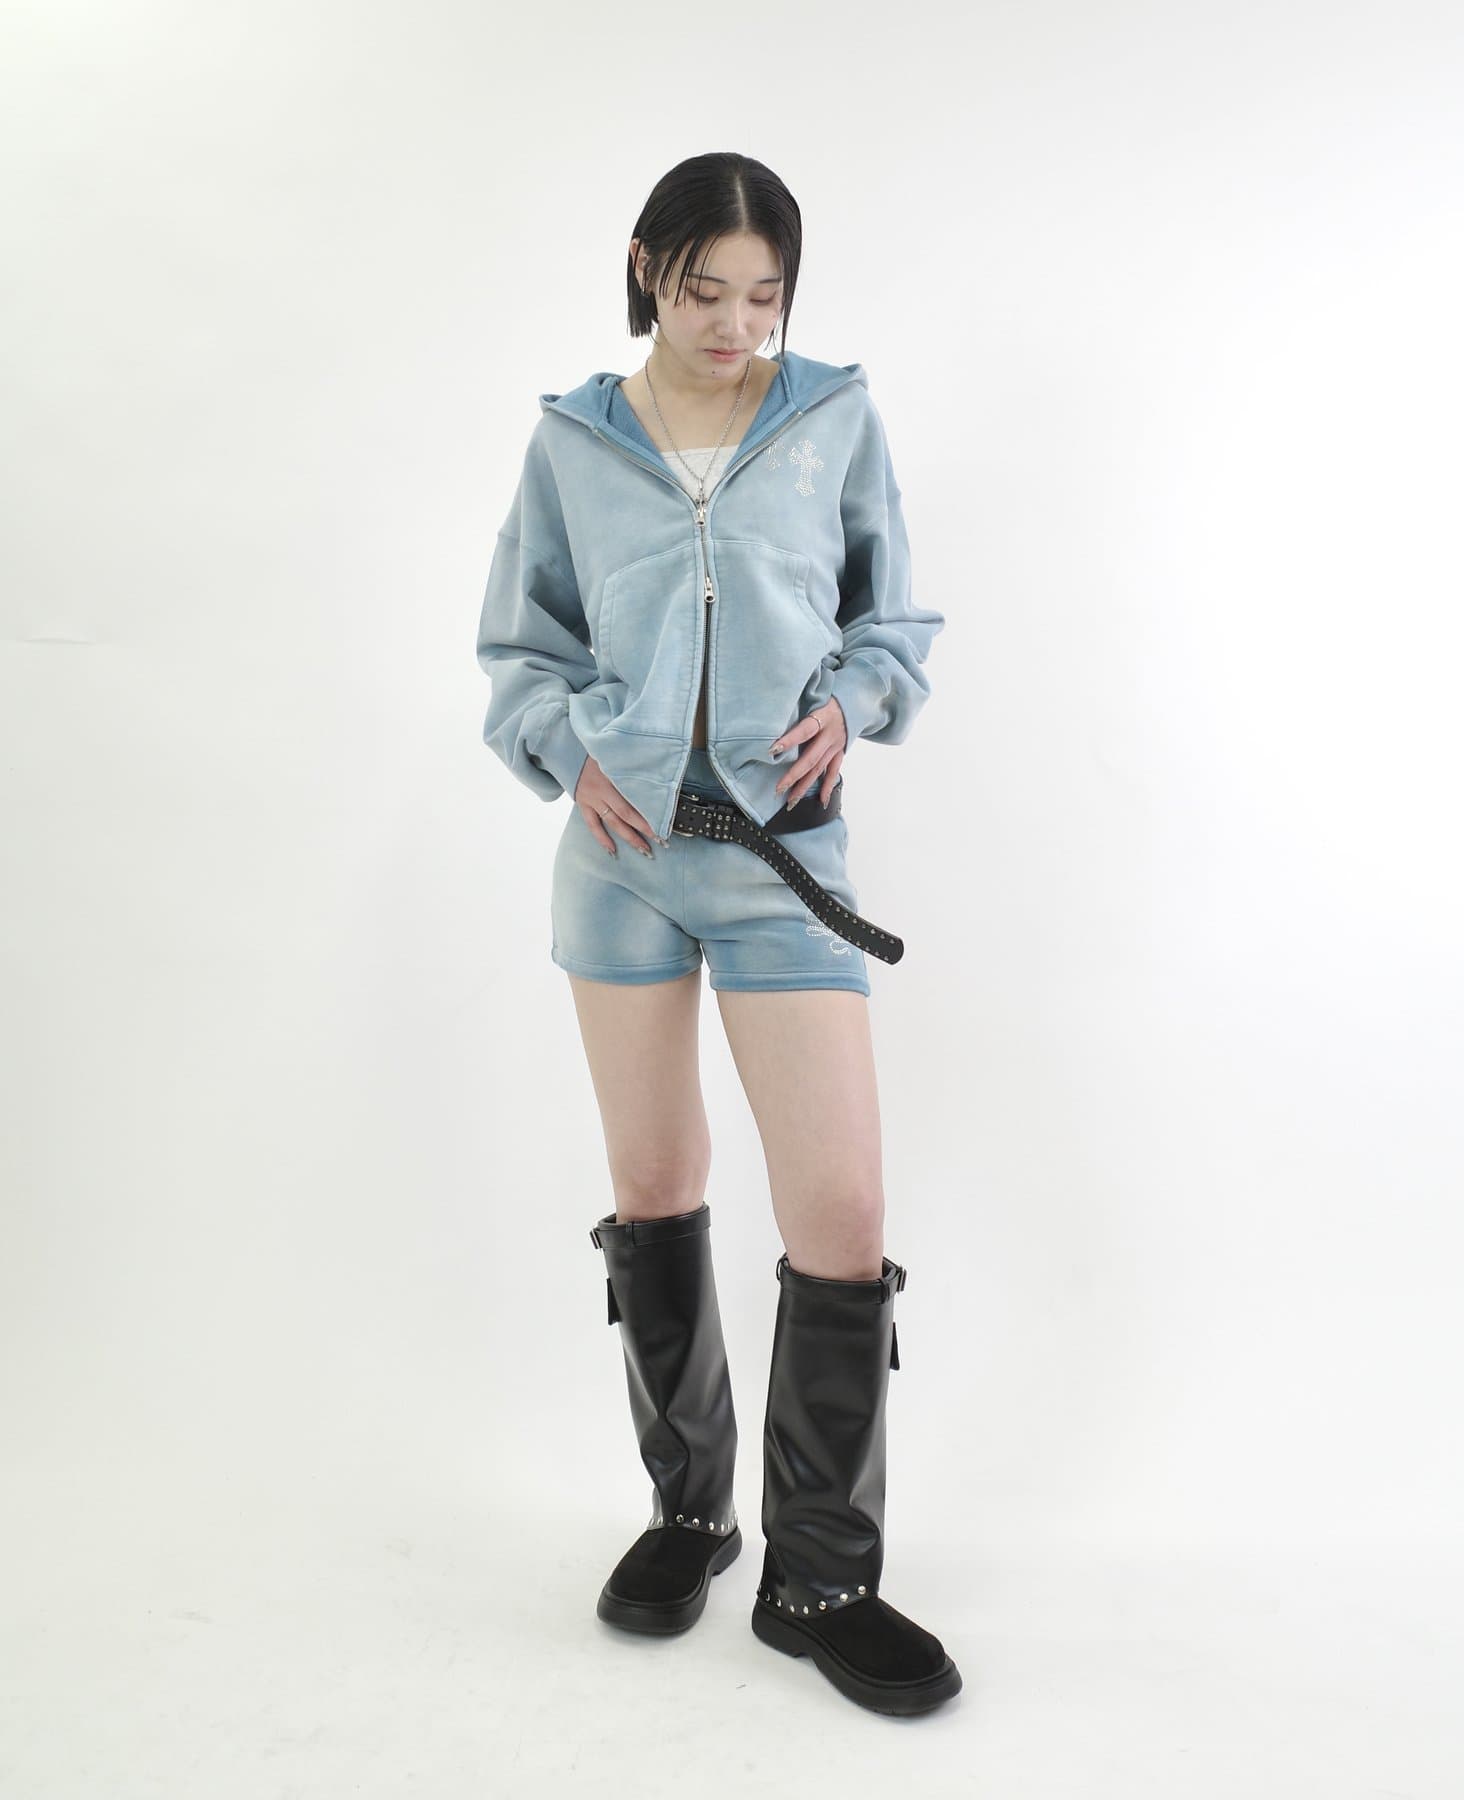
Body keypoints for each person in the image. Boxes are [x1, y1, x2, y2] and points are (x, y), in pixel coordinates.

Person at [474, 152, 961, 1716]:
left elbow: (892, 619)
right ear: (647, 268)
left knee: (842, 1211)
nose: (737, 324)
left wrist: (855, 704)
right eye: (705, 291)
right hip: (619, 864)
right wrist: (567, 749)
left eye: (764, 294)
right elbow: (520, 647)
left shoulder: (831, 419)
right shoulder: (574, 441)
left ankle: (822, 1575)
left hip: (781, 860)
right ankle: (692, 1512)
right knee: (655, 1184)